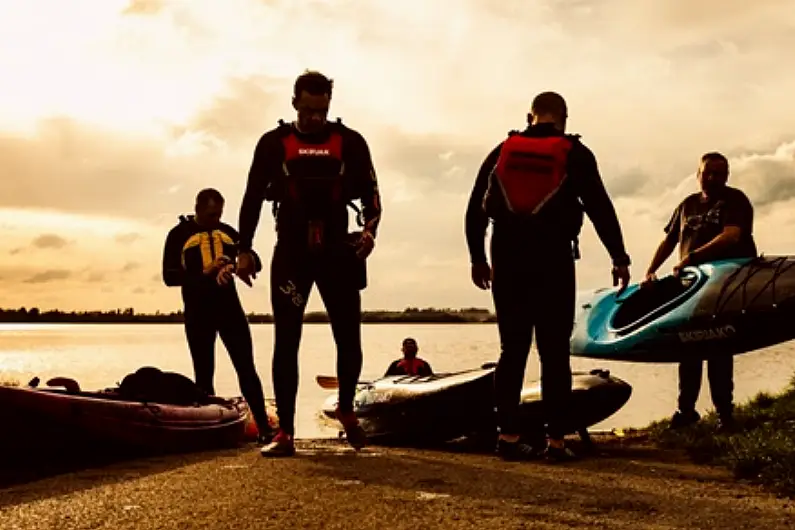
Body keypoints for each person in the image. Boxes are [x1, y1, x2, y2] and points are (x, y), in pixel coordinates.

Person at [465, 91, 631, 462]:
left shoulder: (502, 150)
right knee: (554, 353)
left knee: (512, 350)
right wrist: (619, 257)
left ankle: (507, 437)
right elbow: (600, 206)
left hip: (505, 256)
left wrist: (477, 257)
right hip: (552, 258)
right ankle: (556, 442)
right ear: (564, 118)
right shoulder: (575, 153)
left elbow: (475, 208)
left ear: (530, 116)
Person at [235, 70, 382, 457]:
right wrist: (244, 248)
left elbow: (372, 196)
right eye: (309, 109)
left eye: (323, 110)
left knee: (349, 337)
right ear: (295, 102)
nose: (316, 117)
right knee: (287, 340)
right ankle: (285, 431)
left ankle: (347, 408)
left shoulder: (350, 142)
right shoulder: (273, 143)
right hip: (292, 252)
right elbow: (251, 197)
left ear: (329, 106)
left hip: (338, 249)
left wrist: (369, 233)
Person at [641, 152, 756, 433]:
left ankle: (724, 414)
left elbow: (732, 235)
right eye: (708, 173)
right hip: (689, 291)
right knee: (687, 347)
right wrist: (651, 270)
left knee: (719, 348)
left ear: (727, 175)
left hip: (724, 288)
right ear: (698, 174)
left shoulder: (735, 200)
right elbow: (669, 240)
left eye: (720, 173)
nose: (714, 178)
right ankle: (686, 411)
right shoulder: (687, 205)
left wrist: (693, 258)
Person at [162, 188, 274, 443]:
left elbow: (254, 259)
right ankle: (209, 433)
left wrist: (237, 265)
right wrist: (205, 272)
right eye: (212, 215)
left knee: (246, 369)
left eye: (219, 214)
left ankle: (264, 429)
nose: (216, 219)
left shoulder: (228, 233)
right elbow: (169, 277)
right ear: (198, 209)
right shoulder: (179, 234)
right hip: (198, 312)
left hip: (229, 309)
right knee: (203, 374)